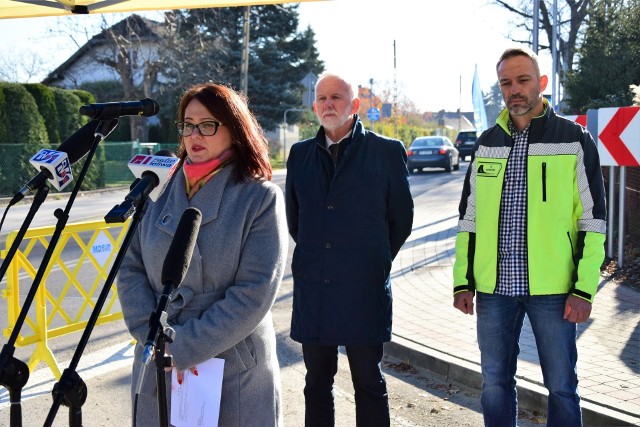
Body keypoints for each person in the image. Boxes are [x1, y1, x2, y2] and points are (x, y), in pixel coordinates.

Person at [117, 83, 288, 426]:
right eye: (187, 124)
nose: (195, 134)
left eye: (207, 124)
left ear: (235, 129)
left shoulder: (259, 198)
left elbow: (254, 292)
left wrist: (183, 346)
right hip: (157, 352)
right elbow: (129, 266)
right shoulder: (157, 190)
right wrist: (149, 333)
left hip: (231, 360)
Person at [453, 47, 606, 427]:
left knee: (562, 386)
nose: (514, 89)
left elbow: (594, 220)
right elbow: (468, 219)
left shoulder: (573, 139)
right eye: (506, 82)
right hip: (494, 289)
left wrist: (584, 288)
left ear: (541, 83)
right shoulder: (487, 142)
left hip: (554, 291)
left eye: (523, 80)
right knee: (494, 384)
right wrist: (462, 281)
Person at [285, 72, 414, 426]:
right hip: (316, 291)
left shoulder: (386, 152)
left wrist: (371, 261)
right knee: (317, 384)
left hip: (363, 290)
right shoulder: (299, 156)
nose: (328, 104)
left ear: (354, 105)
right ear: (314, 106)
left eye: (337, 98)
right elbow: (296, 222)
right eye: (322, 98)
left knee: (368, 382)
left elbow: (401, 220)